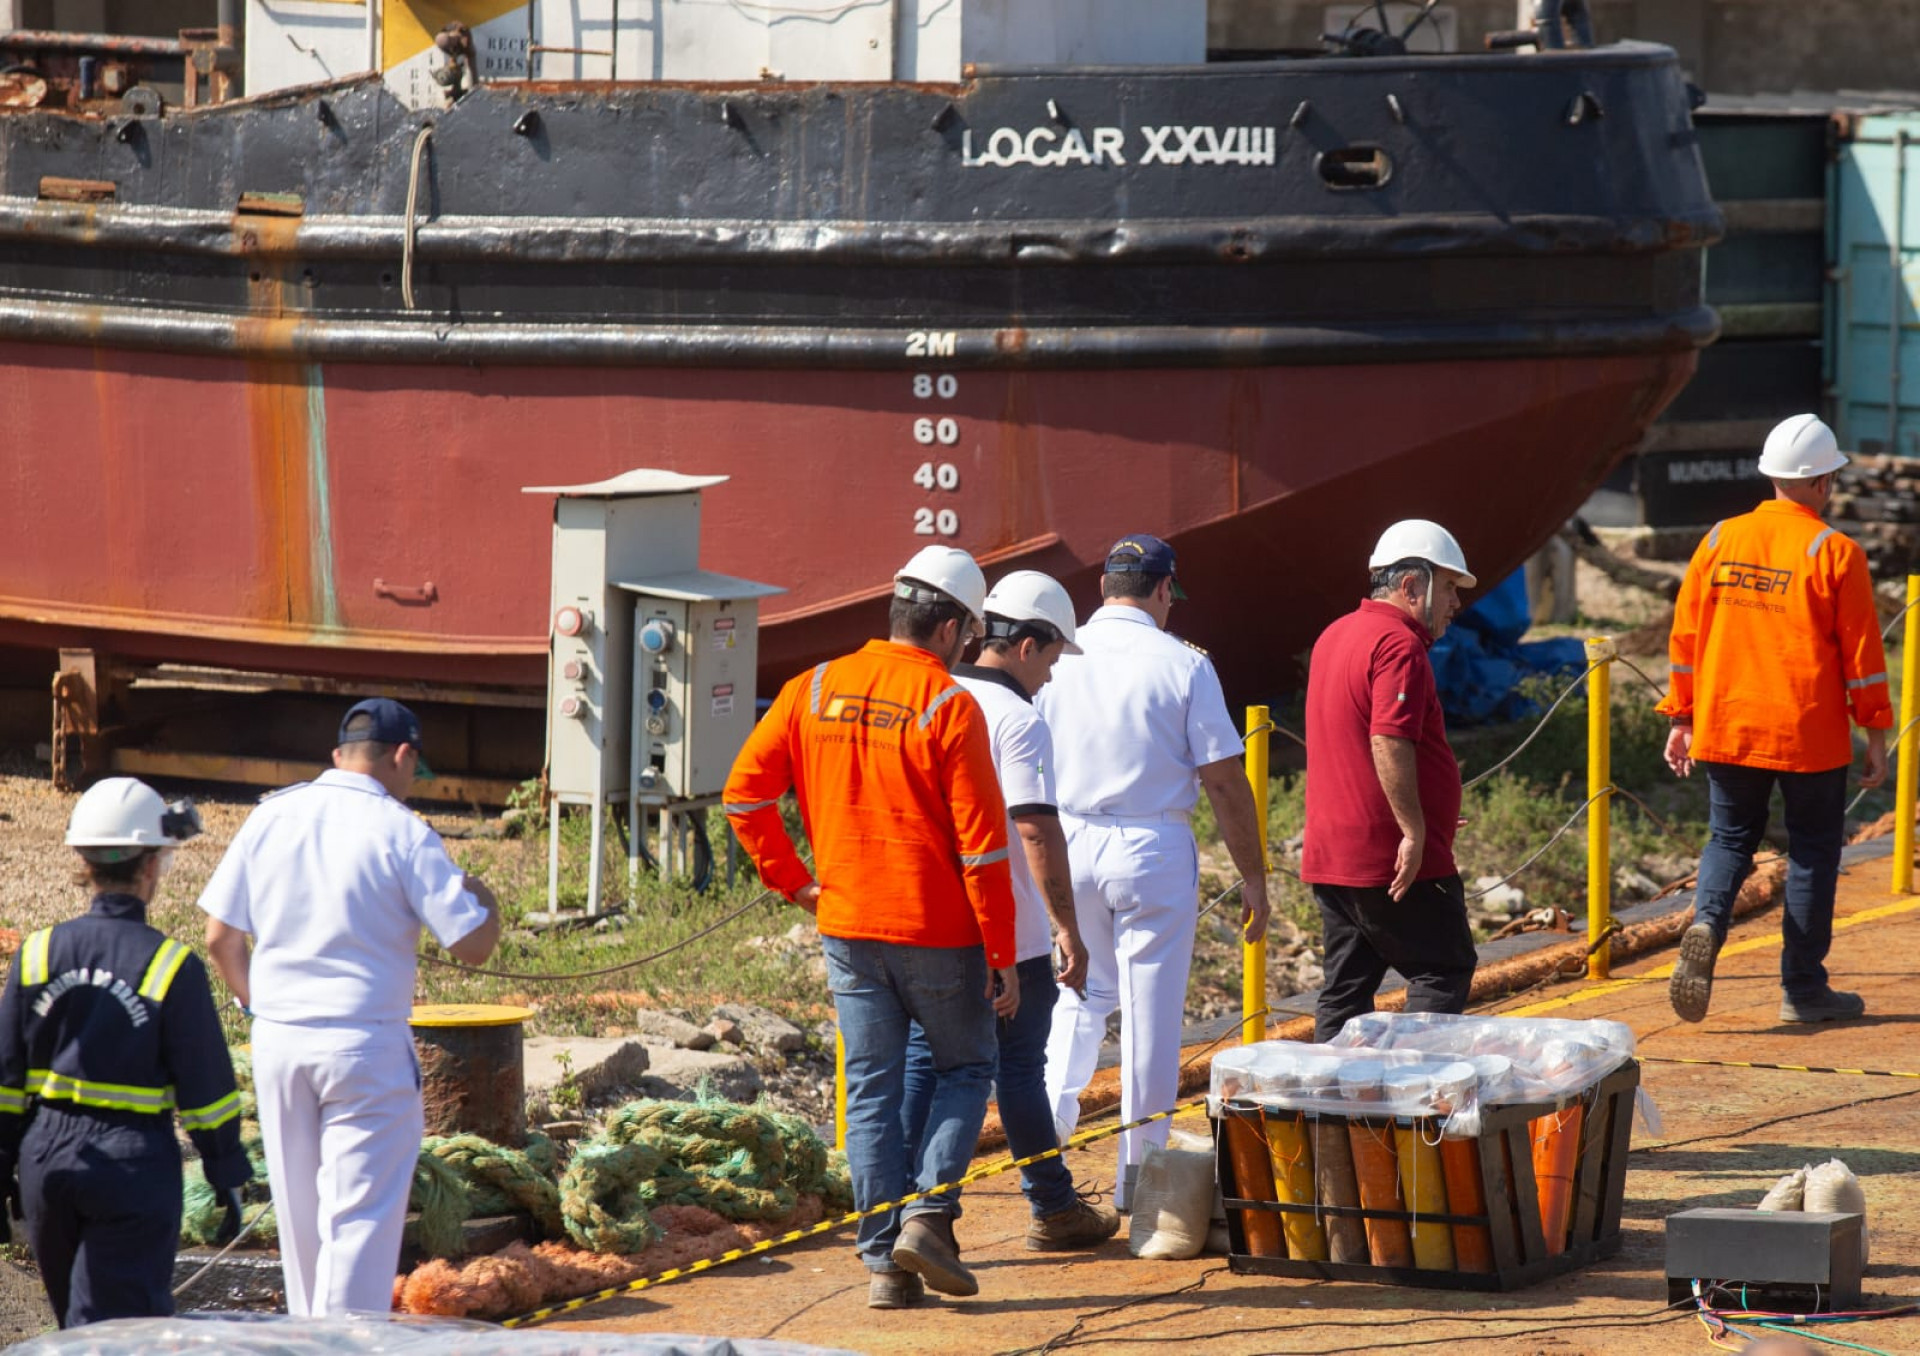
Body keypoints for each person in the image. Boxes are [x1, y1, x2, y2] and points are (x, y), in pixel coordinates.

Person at [725, 546, 1019, 1309]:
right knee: (963, 1068)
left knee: (871, 1090)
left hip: (848, 924)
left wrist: (796, 883)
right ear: (952, 627)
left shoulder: (812, 686)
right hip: (940, 931)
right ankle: (927, 1214)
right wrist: (1003, 952)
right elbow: (984, 846)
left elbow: (744, 799)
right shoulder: (951, 706)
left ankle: (884, 1265)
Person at [197, 698, 501, 1316]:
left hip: (280, 1040)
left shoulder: (272, 816)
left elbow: (219, 938)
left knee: (300, 1220)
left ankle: (309, 1334)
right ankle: (346, 1344)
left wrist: (262, 1008)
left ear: (338, 755)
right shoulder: (403, 830)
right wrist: (483, 895)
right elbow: (471, 944)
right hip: (364, 1043)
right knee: (359, 1220)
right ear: (403, 755)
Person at [1037, 534, 1271, 1210]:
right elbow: (1224, 781)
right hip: (1151, 845)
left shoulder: (1060, 655)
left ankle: (1046, 1137)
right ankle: (1138, 1180)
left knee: (1077, 993)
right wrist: (1253, 875)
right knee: (1150, 1017)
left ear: (1105, 588)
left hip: (1069, 837)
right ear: (1164, 590)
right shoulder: (1184, 664)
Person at [901, 570, 1120, 1254]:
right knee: (1017, 1069)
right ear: (1027, 644)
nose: (1053, 676)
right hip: (1009, 928)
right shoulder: (1019, 721)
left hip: (930, 920)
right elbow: (1034, 829)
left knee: (922, 1065)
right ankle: (1051, 1208)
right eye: (1053, 658)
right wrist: (1065, 928)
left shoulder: (934, 697)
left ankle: (898, 1207)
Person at [1659, 414, 1890, 1025]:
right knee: (1813, 850)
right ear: (1820, 482)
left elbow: (1685, 638)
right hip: (1807, 733)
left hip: (1726, 724)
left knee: (1729, 838)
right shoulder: (1835, 552)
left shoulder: (1717, 540)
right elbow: (1862, 657)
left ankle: (1707, 920)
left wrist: (1681, 717)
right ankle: (1804, 990)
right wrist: (1876, 733)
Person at [0, 778, 249, 1328]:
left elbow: (6, 1082)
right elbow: (207, 1094)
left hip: (47, 1164)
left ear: (84, 861)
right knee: (119, 1332)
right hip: (130, 1166)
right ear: (152, 864)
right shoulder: (168, 965)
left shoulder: (37, 954)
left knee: (75, 1325)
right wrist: (226, 1170)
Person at [1303, 519, 1480, 1044]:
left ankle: (1328, 1110)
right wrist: (1413, 831)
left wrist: (1433, 811)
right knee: (1443, 970)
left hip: (1333, 853)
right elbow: (1387, 739)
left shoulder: (1335, 634)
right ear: (1411, 587)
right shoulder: (1399, 644)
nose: (1456, 603)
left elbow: (1355, 740)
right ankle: (1407, 1096)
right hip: (1390, 858)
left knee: (1345, 992)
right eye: (1448, 588)